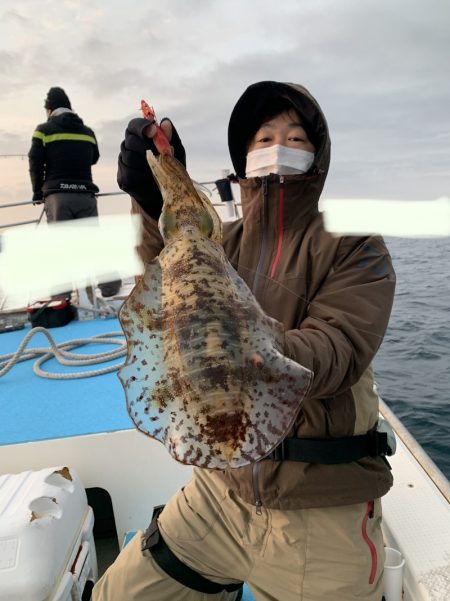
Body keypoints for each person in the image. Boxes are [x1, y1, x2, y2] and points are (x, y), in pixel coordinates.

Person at [93, 81, 396, 601]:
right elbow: (164, 279)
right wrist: (150, 198)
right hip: (220, 493)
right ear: (243, 157)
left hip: (317, 505)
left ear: (317, 157)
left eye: (296, 137)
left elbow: (338, 351)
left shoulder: (355, 246)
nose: (279, 146)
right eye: (264, 137)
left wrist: (251, 350)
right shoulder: (221, 241)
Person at [28, 86, 121, 298]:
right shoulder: (87, 132)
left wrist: (36, 191)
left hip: (58, 197)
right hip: (86, 195)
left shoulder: (43, 130)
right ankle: (109, 288)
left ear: (49, 109)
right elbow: (94, 158)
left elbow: (36, 162)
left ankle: (62, 297)